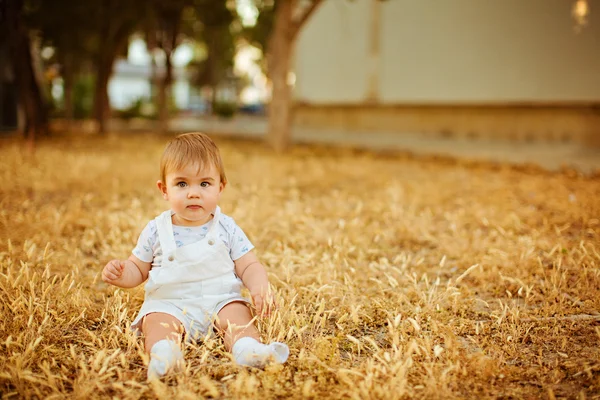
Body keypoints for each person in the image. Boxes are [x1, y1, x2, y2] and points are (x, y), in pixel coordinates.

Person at [101, 132, 289, 380]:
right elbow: (139, 269)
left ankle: (248, 350)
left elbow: (249, 265)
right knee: (156, 322)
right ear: (164, 189)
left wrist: (260, 286)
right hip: (170, 303)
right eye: (182, 184)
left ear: (220, 187)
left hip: (220, 299)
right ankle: (165, 354)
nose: (193, 193)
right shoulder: (156, 230)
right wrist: (123, 273)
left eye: (204, 184)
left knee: (237, 316)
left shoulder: (227, 227)